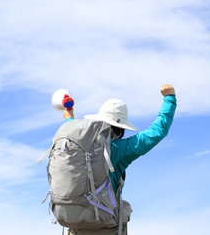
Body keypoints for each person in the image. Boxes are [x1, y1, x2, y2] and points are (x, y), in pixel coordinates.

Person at [63, 84, 177, 235]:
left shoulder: (79, 147)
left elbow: (73, 134)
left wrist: (69, 117)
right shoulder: (119, 149)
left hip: (76, 226)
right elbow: (157, 132)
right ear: (121, 127)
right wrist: (169, 98)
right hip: (105, 228)